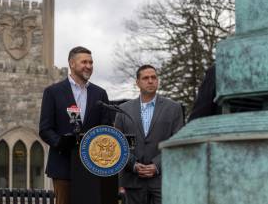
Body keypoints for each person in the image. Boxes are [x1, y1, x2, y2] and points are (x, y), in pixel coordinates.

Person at [39, 46, 110, 204]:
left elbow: (106, 128)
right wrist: (62, 143)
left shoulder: (100, 94)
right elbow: (45, 129)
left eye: (91, 62)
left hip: (93, 167)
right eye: (84, 62)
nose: (89, 66)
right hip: (63, 166)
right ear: (71, 63)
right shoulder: (53, 92)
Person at [115, 65, 184, 204]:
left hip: (162, 180)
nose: (150, 81)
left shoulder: (174, 108)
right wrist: (133, 165)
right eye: (146, 78)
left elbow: (177, 142)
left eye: (154, 77)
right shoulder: (123, 110)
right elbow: (117, 144)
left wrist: (157, 165)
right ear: (138, 83)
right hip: (132, 181)